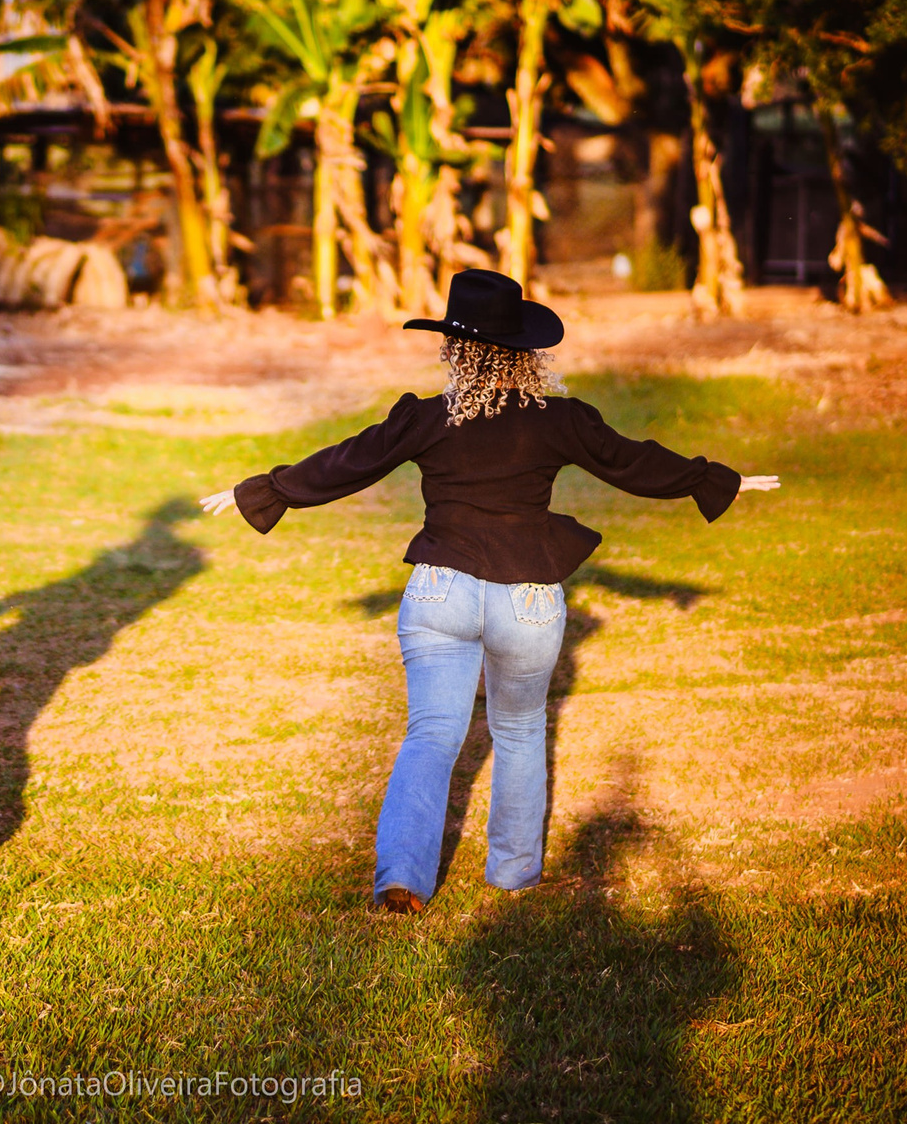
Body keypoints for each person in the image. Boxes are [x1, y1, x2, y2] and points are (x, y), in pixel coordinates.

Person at [201, 270, 779, 914]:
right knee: (521, 732)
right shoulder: (559, 421)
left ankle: (402, 878)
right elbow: (630, 461)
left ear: (455, 350)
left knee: (430, 734)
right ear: (527, 354)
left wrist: (264, 491)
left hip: (438, 591)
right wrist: (714, 480)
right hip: (527, 599)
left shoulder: (427, 418)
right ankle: (512, 874)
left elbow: (351, 460)